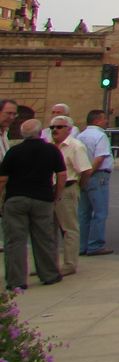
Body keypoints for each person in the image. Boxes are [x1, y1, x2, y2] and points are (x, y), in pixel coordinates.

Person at [0, 119, 66, 289]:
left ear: (23, 134)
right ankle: (49, 275)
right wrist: (57, 195)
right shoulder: (51, 150)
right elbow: (61, 175)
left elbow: (3, 179)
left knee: (15, 241)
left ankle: (16, 281)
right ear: (40, 133)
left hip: (16, 199)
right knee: (44, 238)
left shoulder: (14, 151)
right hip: (42, 198)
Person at [49, 115, 91, 275]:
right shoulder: (50, 146)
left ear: (69, 129)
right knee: (48, 228)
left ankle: (69, 264)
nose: (55, 130)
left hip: (67, 188)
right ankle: (49, 262)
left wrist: (78, 186)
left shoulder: (75, 146)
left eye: (59, 127)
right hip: (50, 190)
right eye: (52, 127)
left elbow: (86, 170)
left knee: (69, 228)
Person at [77, 108, 114, 255]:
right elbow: (100, 157)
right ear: (97, 120)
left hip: (83, 175)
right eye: (104, 119)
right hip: (97, 176)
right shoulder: (100, 135)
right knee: (100, 212)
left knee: (83, 213)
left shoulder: (81, 135)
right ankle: (95, 245)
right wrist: (90, 173)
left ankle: (81, 245)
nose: (106, 121)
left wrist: (84, 175)